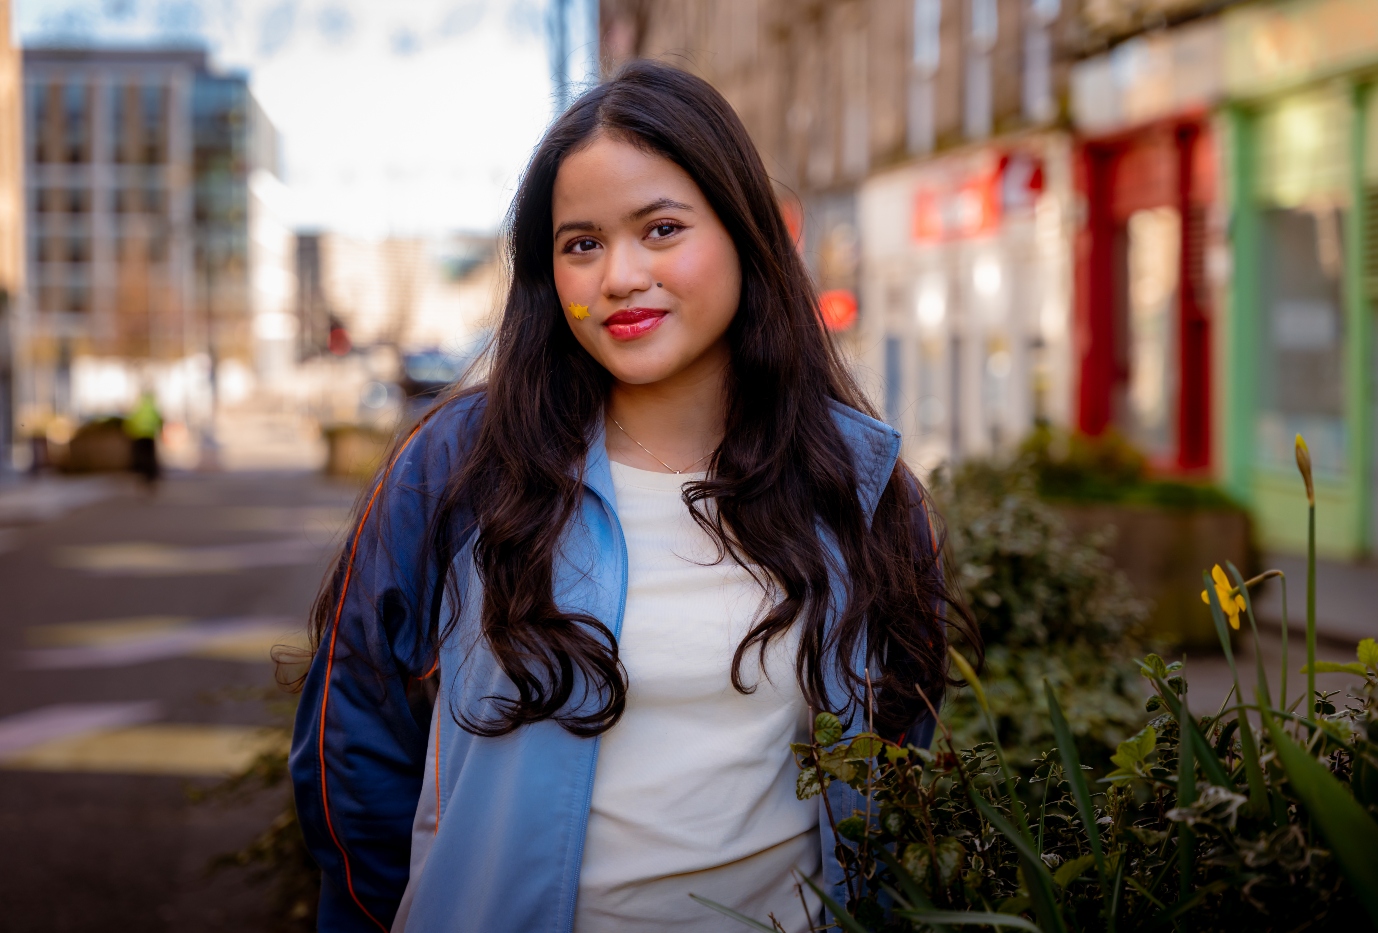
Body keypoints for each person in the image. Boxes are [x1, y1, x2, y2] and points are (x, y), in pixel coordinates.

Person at [289, 61, 977, 933]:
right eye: (581, 244)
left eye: (660, 229)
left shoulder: (861, 486)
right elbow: (353, 750)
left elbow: (897, 769)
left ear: (742, 232)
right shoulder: (461, 468)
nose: (619, 276)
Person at [124, 390, 162, 486]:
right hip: (150, 435)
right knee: (150, 456)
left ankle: (141, 473)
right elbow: (159, 420)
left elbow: (131, 421)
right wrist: (158, 430)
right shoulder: (153, 408)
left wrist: (130, 432)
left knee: (140, 456)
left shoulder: (138, 408)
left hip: (138, 436)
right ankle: (150, 475)